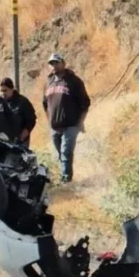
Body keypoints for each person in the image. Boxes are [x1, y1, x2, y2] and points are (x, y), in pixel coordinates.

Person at [42, 53, 91, 183]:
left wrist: (80, 122)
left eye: (56, 63)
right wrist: (50, 121)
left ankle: (66, 179)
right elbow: (45, 104)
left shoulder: (74, 81)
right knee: (60, 153)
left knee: (66, 151)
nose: (54, 66)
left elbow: (85, 103)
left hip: (71, 124)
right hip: (55, 127)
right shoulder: (48, 82)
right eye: (52, 63)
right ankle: (64, 174)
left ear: (63, 63)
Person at [0, 77, 38, 149]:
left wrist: (23, 135)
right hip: (5, 140)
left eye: (5, 90)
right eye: (1, 91)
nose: (3, 93)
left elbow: (31, 120)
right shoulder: (0, 103)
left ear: (12, 89)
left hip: (21, 141)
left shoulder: (23, 102)